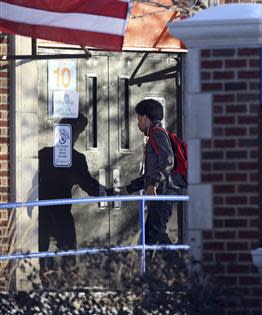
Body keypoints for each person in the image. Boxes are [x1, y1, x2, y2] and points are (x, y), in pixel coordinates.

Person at [38, 114, 105, 280]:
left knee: (43, 253)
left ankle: (45, 286)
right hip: (61, 213)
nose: (78, 136)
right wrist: (108, 193)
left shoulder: (44, 155)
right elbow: (88, 184)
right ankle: (67, 288)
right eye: (79, 132)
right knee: (68, 252)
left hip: (43, 212)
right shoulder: (76, 159)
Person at [119, 99, 177, 246]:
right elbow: (150, 173)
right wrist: (129, 188)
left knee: (154, 234)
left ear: (145, 118)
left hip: (163, 194)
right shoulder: (155, 134)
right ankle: (152, 267)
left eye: (138, 119)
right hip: (161, 193)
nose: (138, 123)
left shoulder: (157, 134)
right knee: (150, 237)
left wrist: (154, 184)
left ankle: (178, 266)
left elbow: (168, 160)